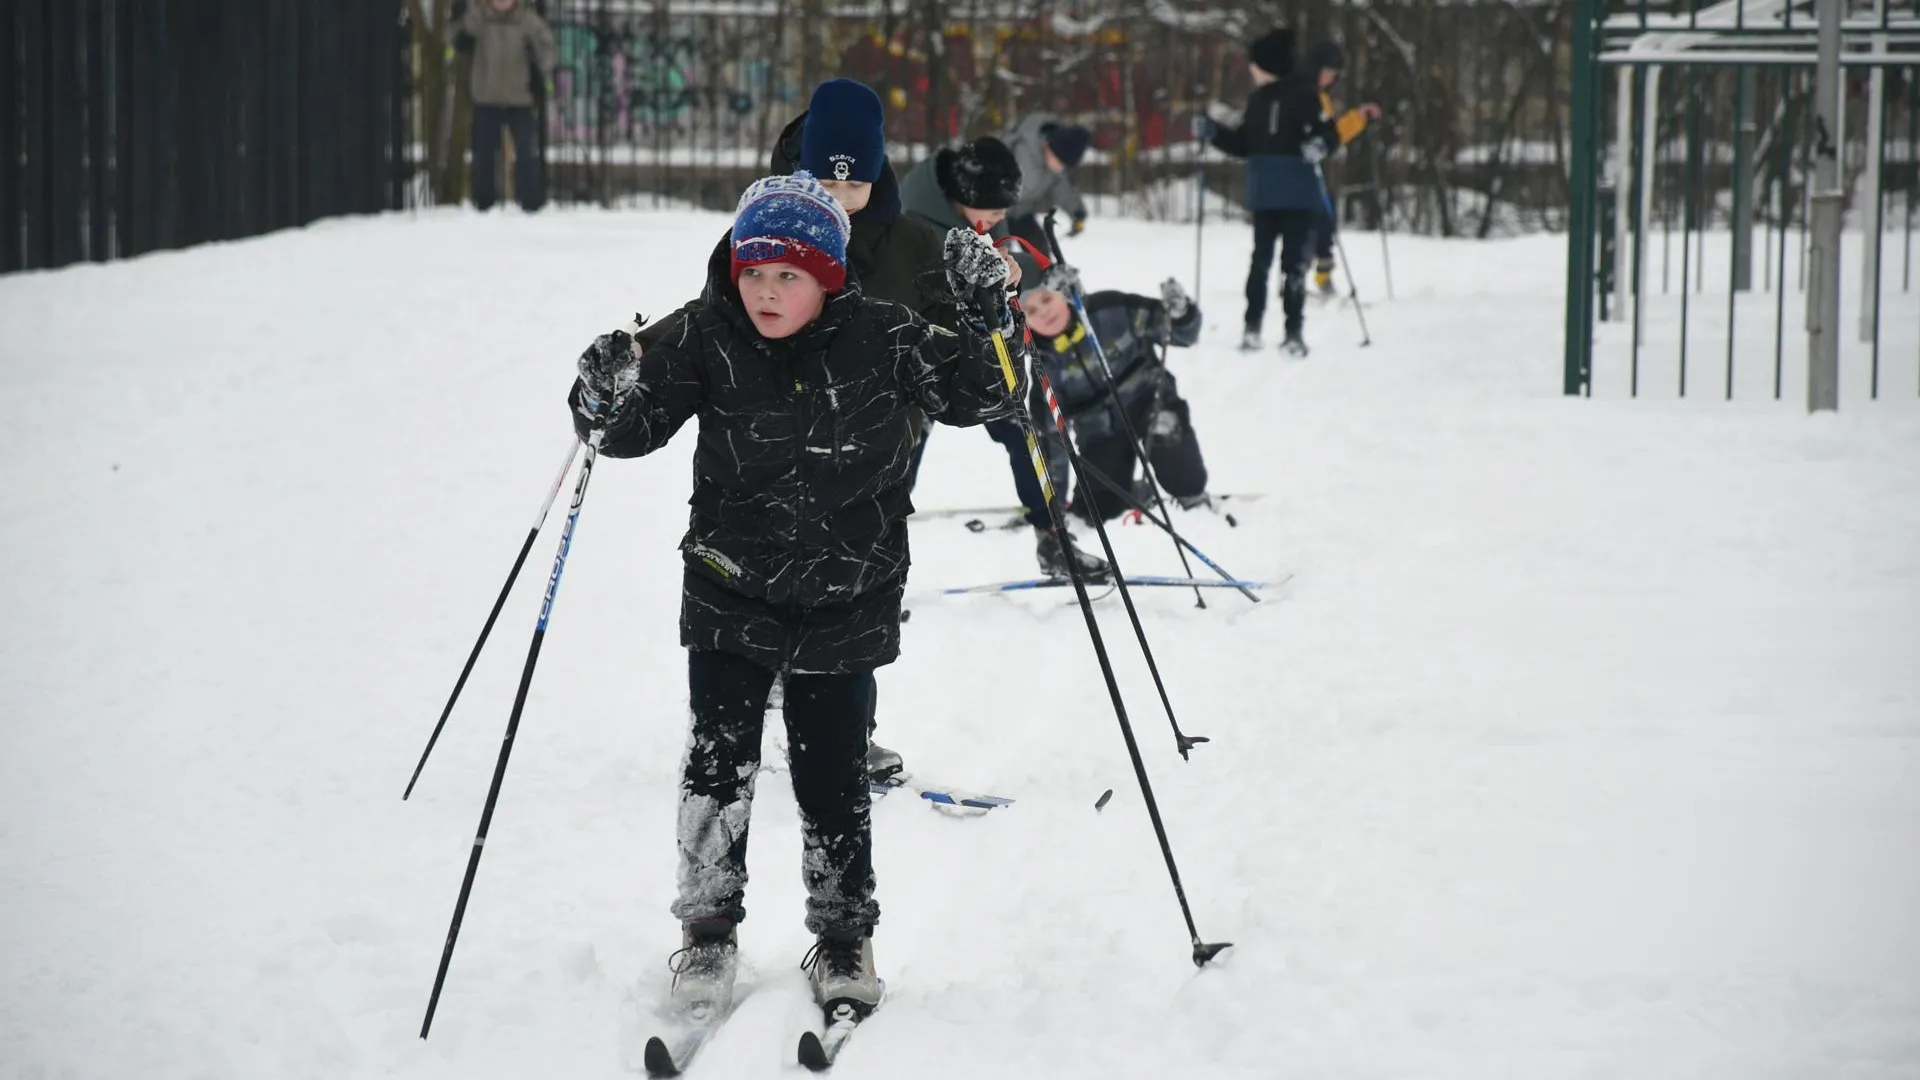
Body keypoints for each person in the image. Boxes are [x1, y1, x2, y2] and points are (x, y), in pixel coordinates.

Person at [568, 172, 1024, 1021]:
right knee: (717, 762)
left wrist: (989, 316)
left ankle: (845, 937)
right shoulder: (708, 335)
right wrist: (601, 389)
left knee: (832, 773)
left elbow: (991, 394)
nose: (766, 292)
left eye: (789, 276)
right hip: (729, 584)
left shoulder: (887, 335)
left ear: (828, 277)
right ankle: (706, 931)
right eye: (753, 272)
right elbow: (623, 431)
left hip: (846, 591)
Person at [900, 137, 1110, 582]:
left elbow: (1006, 262)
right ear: (965, 198)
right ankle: (878, 564)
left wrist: (1039, 272)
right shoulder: (911, 220)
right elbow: (917, 285)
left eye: (1002, 216)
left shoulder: (976, 213)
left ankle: (1053, 536)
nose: (999, 221)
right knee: (902, 454)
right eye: (994, 214)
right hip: (923, 353)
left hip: (981, 350)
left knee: (1022, 432)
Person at [1205, 32, 1378, 356]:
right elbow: (1244, 144)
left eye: (1255, 65)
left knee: (1293, 266)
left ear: (1267, 66)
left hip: (1298, 195)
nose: (1252, 71)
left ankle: (1293, 331)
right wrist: (1214, 134)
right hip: (1266, 194)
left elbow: (1329, 134)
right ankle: (1253, 327)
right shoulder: (1258, 101)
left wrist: (1320, 146)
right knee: (1261, 262)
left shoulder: (1303, 96)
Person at [1017, 270, 1212, 521]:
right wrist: (1054, 505)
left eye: (1046, 300)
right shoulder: (1043, 364)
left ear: (1063, 293)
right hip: (1101, 432)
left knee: (1166, 430)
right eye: (1031, 312)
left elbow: (1182, 334)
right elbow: (1050, 438)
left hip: (1150, 403)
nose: (1043, 312)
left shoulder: (1112, 308)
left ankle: (1192, 496)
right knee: (1099, 509)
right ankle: (1131, 493)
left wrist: (1179, 313)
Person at [452, 0, 558, 212]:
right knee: (484, 154)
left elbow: (549, 51)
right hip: (486, 96)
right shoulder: (480, 18)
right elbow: (457, 38)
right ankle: (483, 202)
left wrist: (537, 59)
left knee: (527, 152)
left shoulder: (528, 21)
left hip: (521, 98)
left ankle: (529, 202)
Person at [1001, 113, 1093, 255]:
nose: (1060, 168)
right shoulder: (1021, 150)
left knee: (1041, 253)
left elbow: (1064, 189)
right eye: (1059, 162)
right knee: (1000, 254)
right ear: (1048, 146)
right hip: (996, 212)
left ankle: (1043, 275)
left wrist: (1077, 212)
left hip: (1022, 213)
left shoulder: (1053, 168)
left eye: (1064, 165)